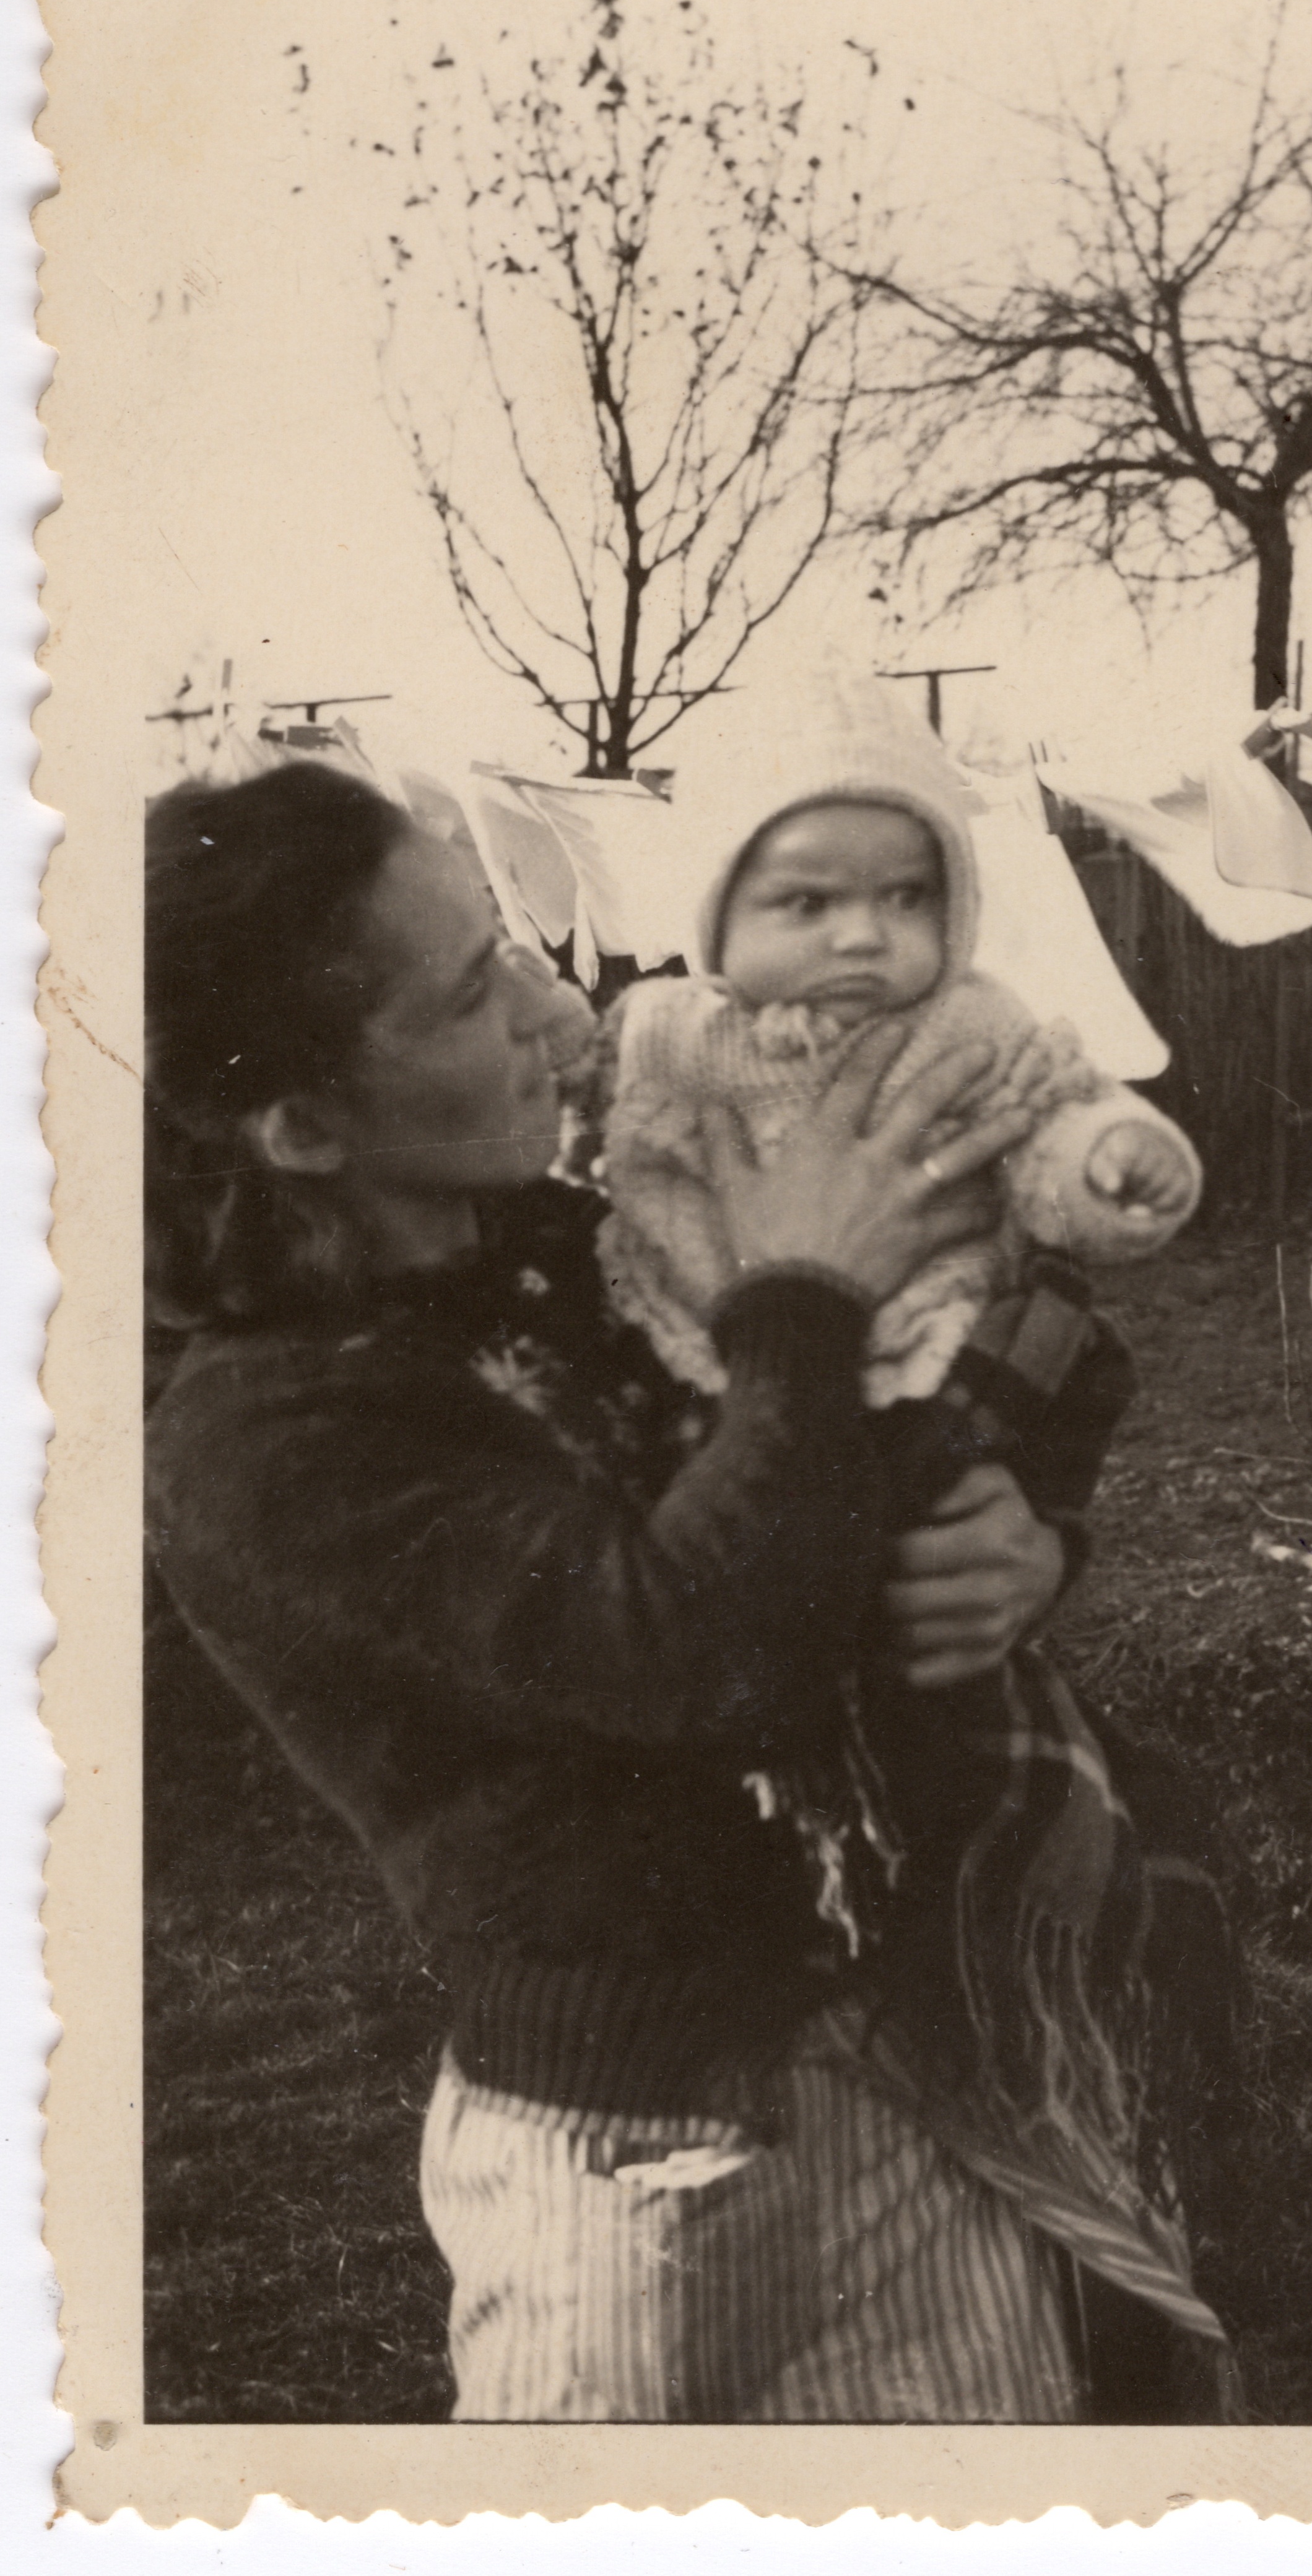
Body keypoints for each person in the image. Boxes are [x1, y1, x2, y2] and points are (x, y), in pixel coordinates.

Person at [143, 758, 1234, 2425]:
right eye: (469, 993)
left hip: (900, 2070)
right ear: (300, 1124)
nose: (554, 1014)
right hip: (641, 2182)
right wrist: (801, 1290)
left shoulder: (569, 1240)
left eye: (512, 947)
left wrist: (1029, 1535)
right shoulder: (270, 1440)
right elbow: (700, 1657)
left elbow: (1003, 1351)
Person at [593, 674, 1203, 1410]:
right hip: (690, 1359)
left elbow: (1052, 1111)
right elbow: (577, 1097)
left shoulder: (969, 1023)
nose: (862, 935)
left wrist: (1105, 1155)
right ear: (716, 915)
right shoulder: (667, 1029)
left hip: (943, 1357)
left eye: (906, 896)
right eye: (808, 902)